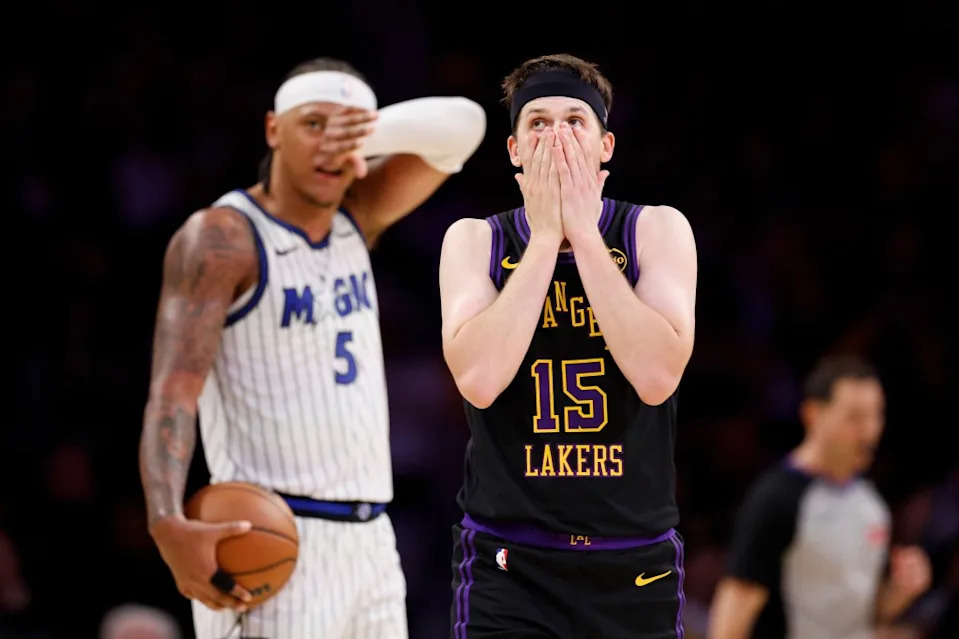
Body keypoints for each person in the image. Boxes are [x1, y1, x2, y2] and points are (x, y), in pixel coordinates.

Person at [138, 56, 486, 639]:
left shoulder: (358, 215)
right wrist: (165, 520)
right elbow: (171, 393)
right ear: (273, 129)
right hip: (272, 538)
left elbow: (467, 125)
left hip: (373, 540)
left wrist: (366, 134)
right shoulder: (223, 238)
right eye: (313, 124)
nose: (330, 144)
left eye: (347, 130)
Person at [439, 53, 698, 638]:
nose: (556, 134)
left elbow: (657, 376)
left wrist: (583, 235)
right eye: (538, 122)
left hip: (633, 560)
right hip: (510, 562)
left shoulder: (655, 229)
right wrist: (546, 237)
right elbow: (479, 379)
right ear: (513, 151)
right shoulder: (475, 240)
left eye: (575, 120)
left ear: (606, 145)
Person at [708, 354, 933, 639]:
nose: (869, 430)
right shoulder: (776, 499)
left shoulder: (871, 501)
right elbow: (734, 609)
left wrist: (899, 592)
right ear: (813, 414)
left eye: (876, 414)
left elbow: (862, 614)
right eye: (855, 417)